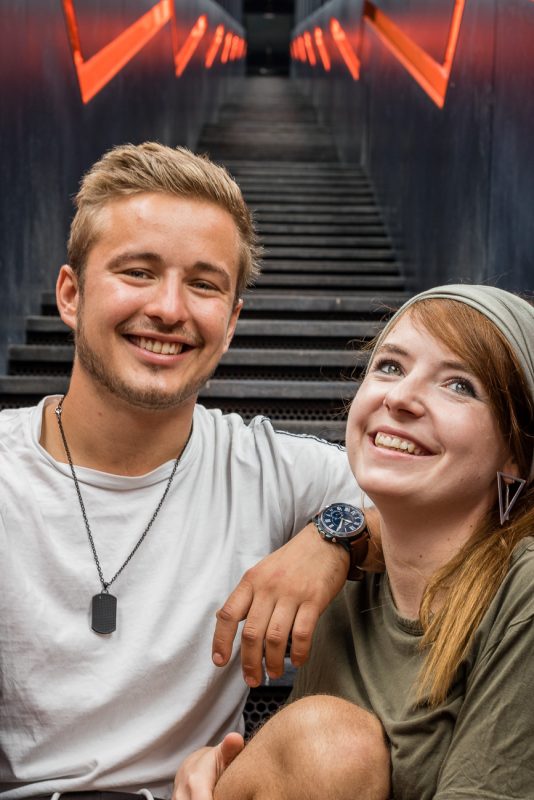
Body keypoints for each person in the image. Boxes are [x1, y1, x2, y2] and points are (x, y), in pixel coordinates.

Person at [0, 142, 362, 800]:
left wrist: (334, 535)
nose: (169, 308)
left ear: (230, 324)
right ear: (71, 294)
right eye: (137, 272)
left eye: (203, 284)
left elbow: (445, 507)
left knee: (335, 742)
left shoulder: (264, 468)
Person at [176, 284, 534, 800]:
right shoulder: (345, 587)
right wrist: (226, 774)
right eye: (390, 366)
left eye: (459, 385)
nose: (401, 397)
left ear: (514, 455)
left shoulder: (519, 590)